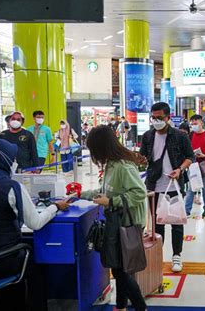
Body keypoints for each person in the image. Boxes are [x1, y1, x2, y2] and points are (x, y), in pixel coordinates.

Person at [0, 137, 70, 310]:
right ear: (1, 158)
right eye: (13, 157)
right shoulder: (9, 187)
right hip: (0, 260)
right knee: (36, 266)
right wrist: (55, 206)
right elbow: (36, 223)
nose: (15, 161)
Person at [80, 125, 147, 311]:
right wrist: (81, 194)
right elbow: (104, 191)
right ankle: (121, 305)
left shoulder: (123, 167)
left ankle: (140, 307)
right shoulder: (112, 164)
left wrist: (111, 202)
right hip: (117, 221)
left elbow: (139, 193)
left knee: (121, 270)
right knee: (119, 268)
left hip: (127, 223)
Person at [139, 102, 194, 272]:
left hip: (174, 185)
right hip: (154, 185)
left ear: (168, 118)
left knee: (176, 223)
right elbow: (143, 157)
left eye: (159, 118)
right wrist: (140, 160)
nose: (156, 121)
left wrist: (179, 169)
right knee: (157, 223)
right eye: (153, 118)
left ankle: (177, 256)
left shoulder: (180, 136)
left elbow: (190, 157)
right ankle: (158, 255)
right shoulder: (148, 136)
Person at [185, 115, 205, 218]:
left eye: (196, 123)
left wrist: (204, 155)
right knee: (191, 188)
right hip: (193, 164)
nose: (194, 125)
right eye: (192, 124)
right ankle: (187, 210)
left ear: (201, 123)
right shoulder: (190, 135)